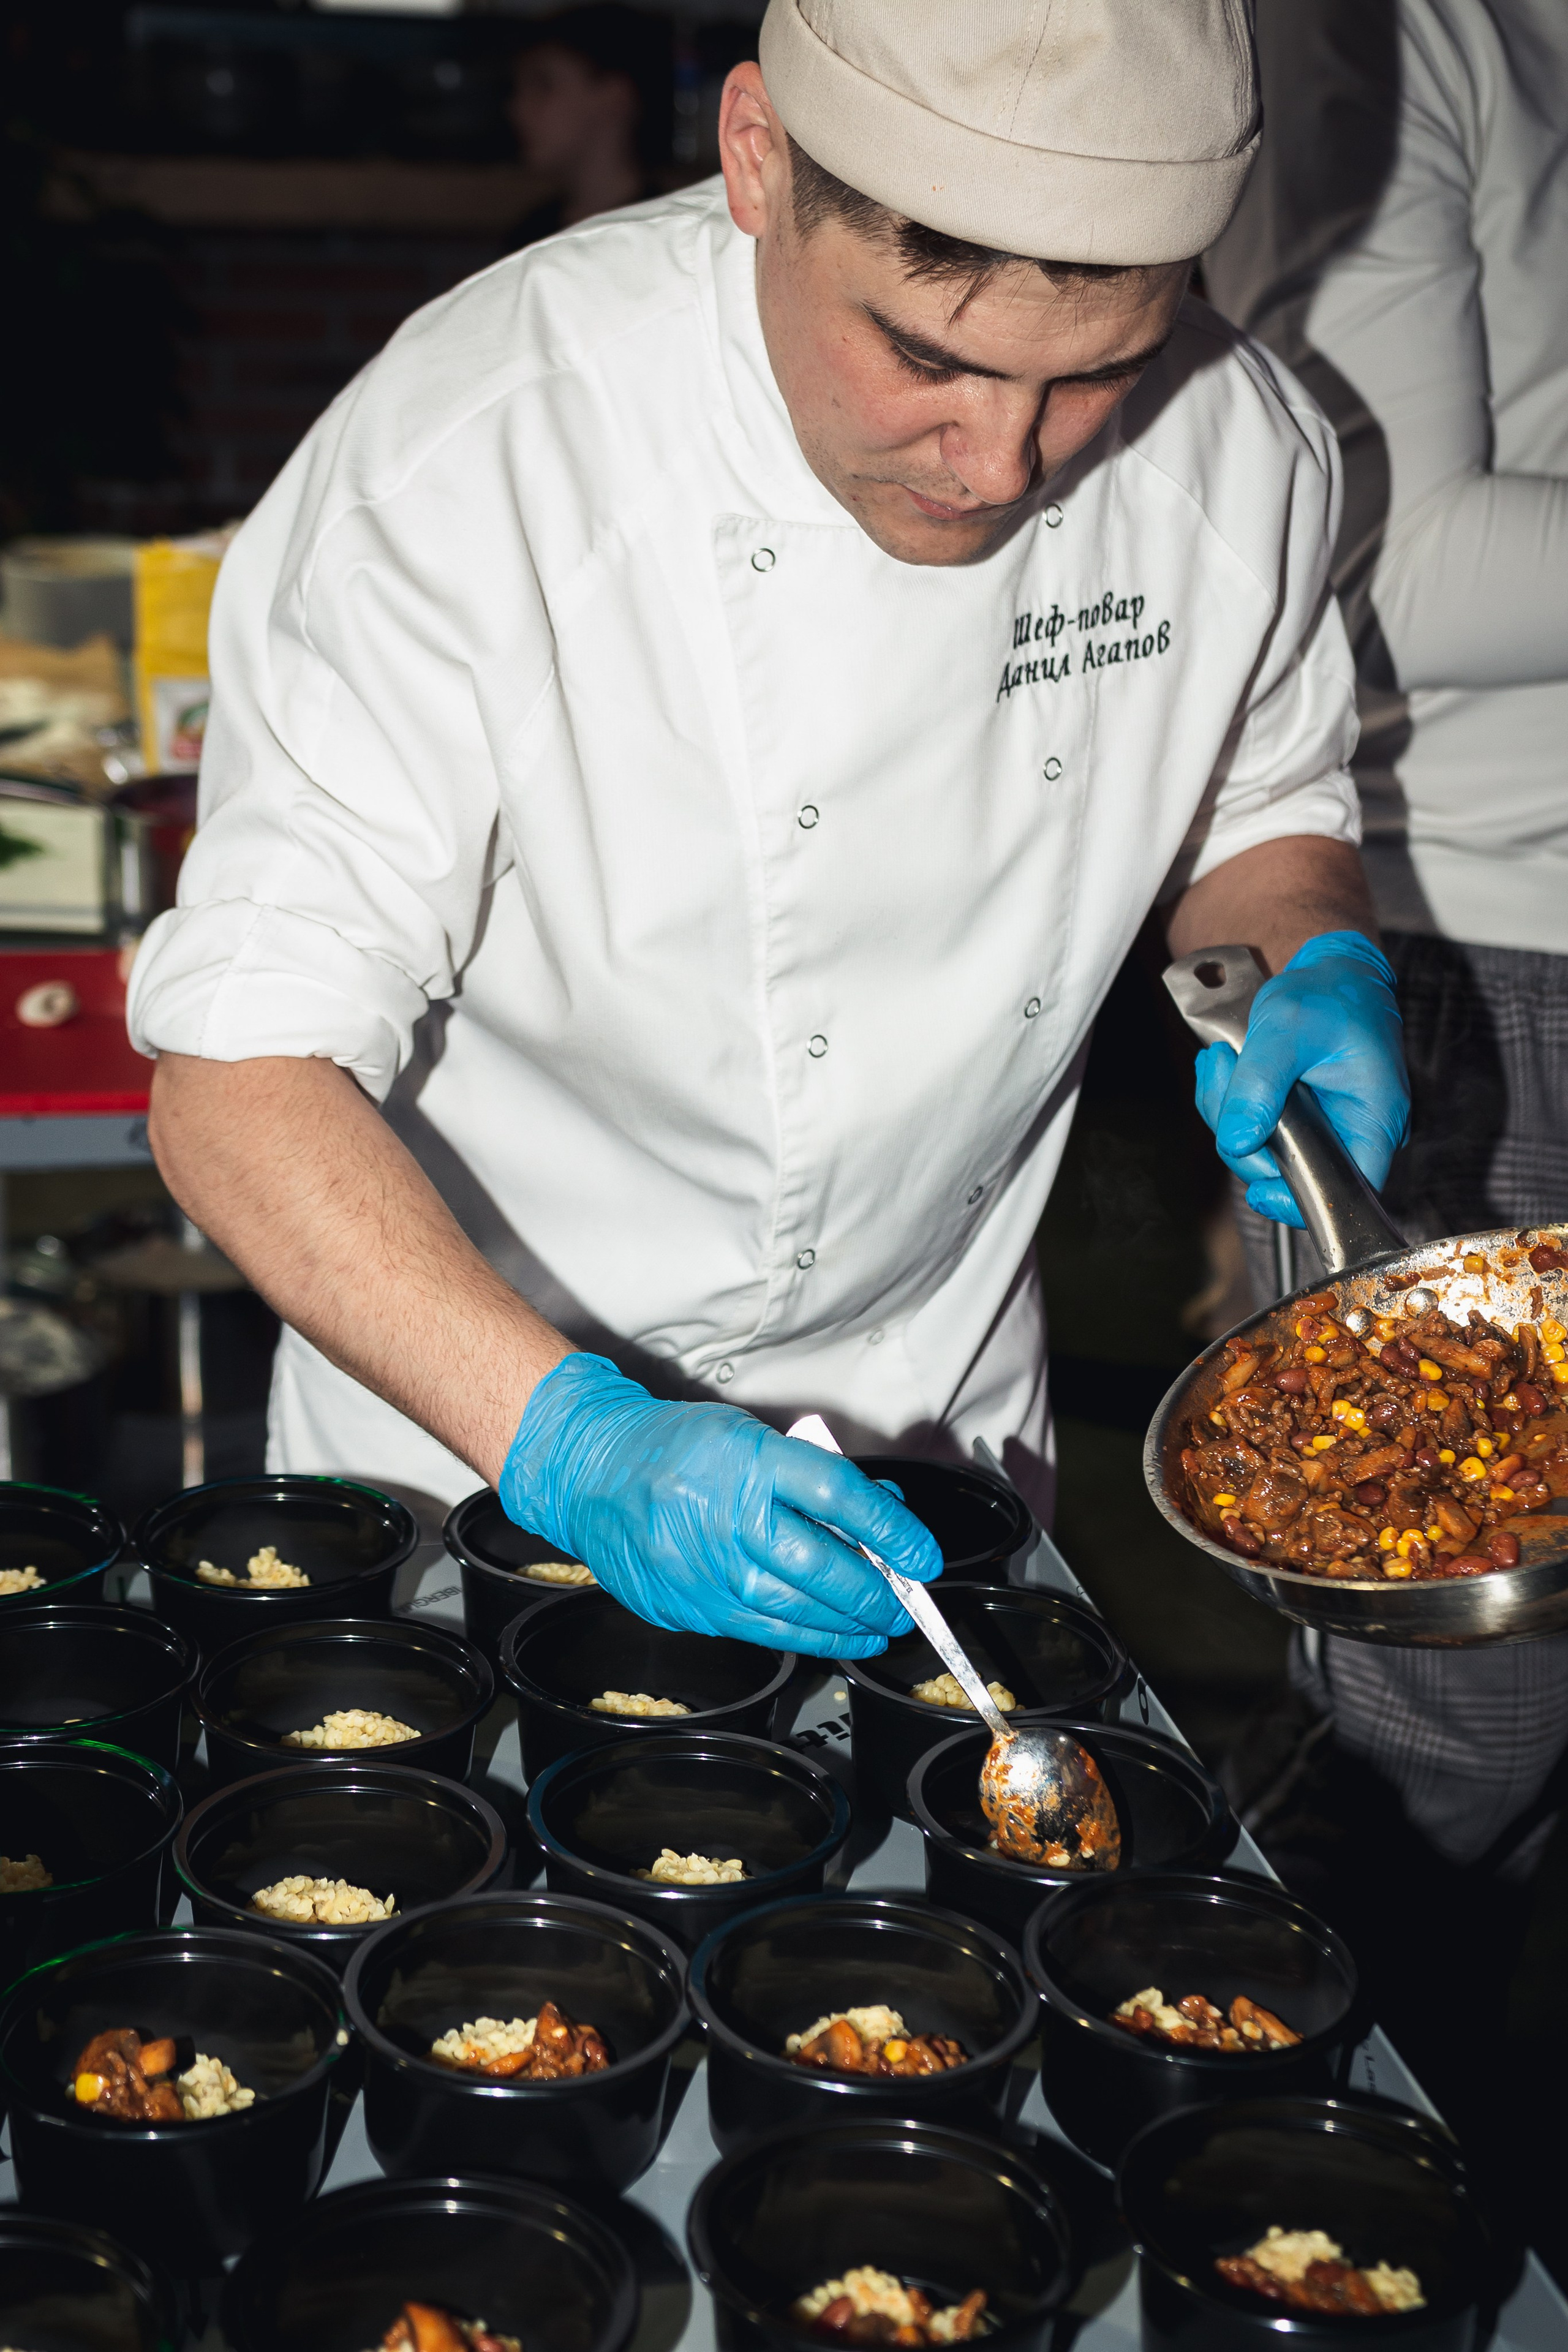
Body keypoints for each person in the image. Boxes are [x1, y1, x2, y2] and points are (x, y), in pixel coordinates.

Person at [127, 0, 1408, 1665]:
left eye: (1096, 371)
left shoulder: (1245, 450)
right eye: (927, 355)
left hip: (937, 1424)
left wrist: (1312, 949)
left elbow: (1262, 806)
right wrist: (575, 1447)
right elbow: (235, 1083)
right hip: (465, 1426)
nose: (1004, 457)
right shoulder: (478, 456)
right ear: (757, 159)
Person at [1205, 0, 1568, 1887]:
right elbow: (1392, 559)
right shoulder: (1393, 30)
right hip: (1468, 933)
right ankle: (1275, 2157)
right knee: (1451, 1721)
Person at [505, 4, 672, 246]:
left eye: (544, 85)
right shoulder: (531, 237)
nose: (518, 108)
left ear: (615, 98)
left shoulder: (666, 235)